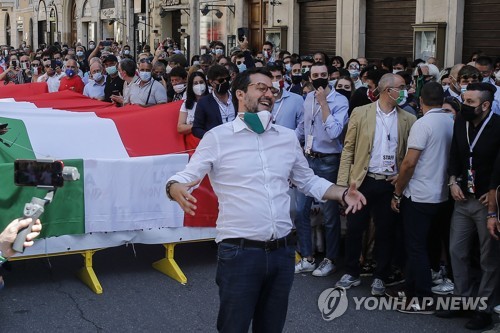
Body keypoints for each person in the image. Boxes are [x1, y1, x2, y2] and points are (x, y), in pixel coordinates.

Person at [165, 67, 366, 332]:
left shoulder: (286, 137)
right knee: (233, 327)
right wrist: (174, 187)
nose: (268, 93)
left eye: (271, 89)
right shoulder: (218, 138)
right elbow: (186, 175)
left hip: (283, 253)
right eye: (260, 87)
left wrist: (341, 192)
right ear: (240, 93)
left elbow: (307, 181)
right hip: (239, 253)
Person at [335, 73, 416, 296]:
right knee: (354, 229)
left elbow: (411, 154)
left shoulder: (409, 119)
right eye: (401, 87)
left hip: (389, 182)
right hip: (362, 181)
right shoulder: (360, 113)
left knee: (385, 231)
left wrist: (401, 176)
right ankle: (351, 271)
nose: (405, 91)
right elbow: (348, 149)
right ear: (387, 90)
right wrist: (342, 185)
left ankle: (380, 275)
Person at [388, 82, 454, 313]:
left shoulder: (422, 124)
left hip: (419, 195)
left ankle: (421, 298)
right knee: (430, 244)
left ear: (421, 100)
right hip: (442, 195)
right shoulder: (450, 121)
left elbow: (409, 162)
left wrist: (397, 192)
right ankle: (412, 287)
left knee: (416, 247)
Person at [441, 82, 500, 330]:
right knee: (457, 250)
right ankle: (462, 300)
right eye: (464, 100)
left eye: (470, 102)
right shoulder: (461, 123)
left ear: (485, 105)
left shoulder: (498, 126)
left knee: (489, 258)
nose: (464, 106)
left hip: (488, 202)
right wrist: (453, 181)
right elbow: (454, 154)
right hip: (463, 198)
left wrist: (493, 197)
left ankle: (484, 309)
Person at [294, 62, 349, 277]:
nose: (319, 78)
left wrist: (324, 103)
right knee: (301, 211)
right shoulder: (307, 99)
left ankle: (330, 258)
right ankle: (307, 256)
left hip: (329, 160)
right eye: (315, 75)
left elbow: (335, 131)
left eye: (323, 75)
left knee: (329, 214)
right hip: (308, 159)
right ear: (309, 76)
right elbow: (302, 128)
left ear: (329, 77)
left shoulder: (340, 100)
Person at [192, 65, 236, 139]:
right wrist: (212, 137)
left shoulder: (237, 97)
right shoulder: (204, 102)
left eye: (227, 79)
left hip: (237, 141)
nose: (225, 82)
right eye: (221, 80)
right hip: (217, 144)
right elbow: (196, 128)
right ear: (212, 83)